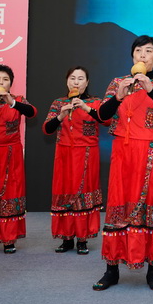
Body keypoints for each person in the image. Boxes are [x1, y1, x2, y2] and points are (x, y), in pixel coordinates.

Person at [93, 35, 153, 291]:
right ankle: (111, 269)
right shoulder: (118, 82)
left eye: (148, 51)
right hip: (124, 152)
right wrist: (118, 96)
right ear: (132, 56)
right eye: (138, 50)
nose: (142, 55)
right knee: (119, 203)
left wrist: (150, 89)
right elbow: (102, 116)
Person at [43, 66, 104, 255]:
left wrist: (86, 108)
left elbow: (106, 120)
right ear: (67, 81)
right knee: (65, 192)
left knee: (83, 193)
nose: (76, 82)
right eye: (72, 78)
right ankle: (66, 238)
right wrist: (61, 115)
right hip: (64, 155)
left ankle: (82, 239)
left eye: (80, 78)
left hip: (87, 154)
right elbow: (47, 129)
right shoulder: (59, 102)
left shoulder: (95, 102)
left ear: (87, 82)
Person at [0, 65, 37, 254]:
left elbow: (32, 112)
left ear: (11, 84)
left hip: (11, 154)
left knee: (10, 193)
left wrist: (11, 102)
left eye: (5, 79)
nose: (1, 82)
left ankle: (9, 239)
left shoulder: (17, 100)